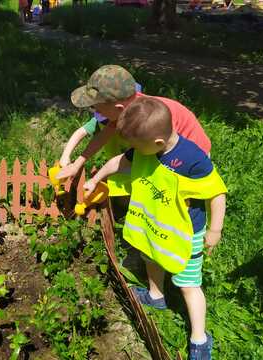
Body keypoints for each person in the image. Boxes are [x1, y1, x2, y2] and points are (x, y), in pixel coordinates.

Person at [84, 97, 227, 360]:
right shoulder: (147, 147)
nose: (133, 151)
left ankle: (199, 338)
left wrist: (215, 230)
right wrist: (95, 178)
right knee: (151, 257)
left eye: (136, 146)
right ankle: (156, 295)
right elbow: (120, 162)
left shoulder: (192, 159)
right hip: (154, 222)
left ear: (158, 143)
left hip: (185, 233)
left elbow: (216, 193)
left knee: (188, 284)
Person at [57, 65, 211, 183]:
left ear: (118, 109)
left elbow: (170, 150)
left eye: (97, 108)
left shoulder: (149, 117)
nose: (96, 113)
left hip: (190, 158)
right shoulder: (128, 108)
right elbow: (103, 136)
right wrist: (77, 164)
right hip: (159, 147)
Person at [59, 82, 142, 199]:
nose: (99, 114)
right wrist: (66, 156)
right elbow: (88, 134)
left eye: (100, 110)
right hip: (118, 170)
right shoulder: (110, 118)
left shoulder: (144, 125)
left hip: (139, 170)